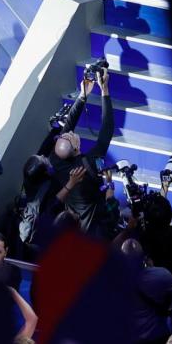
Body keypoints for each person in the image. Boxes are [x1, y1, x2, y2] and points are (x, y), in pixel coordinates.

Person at [46, 67, 113, 236]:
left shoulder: (56, 158)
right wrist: (104, 90)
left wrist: (82, 95)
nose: (69, 132)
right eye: (70, 136)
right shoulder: (87, 166)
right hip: (92, 227)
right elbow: (107, 129)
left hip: (72, 220)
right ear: (75, 147)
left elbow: (68, 124)